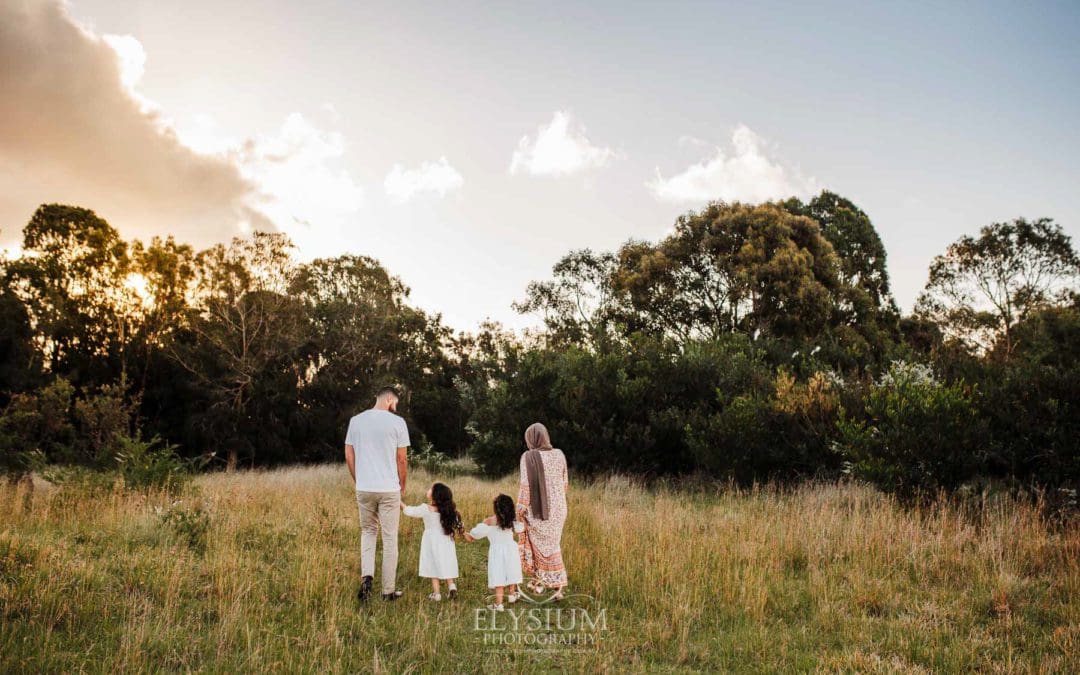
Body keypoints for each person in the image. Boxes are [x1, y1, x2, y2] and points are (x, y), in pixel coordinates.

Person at [344, 386, 410, 601]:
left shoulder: (356, 420)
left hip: (364, 487)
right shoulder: (398, 422)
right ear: (390, 399)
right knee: (390, 538)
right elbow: (402, 459)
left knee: (368, 532)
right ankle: (388, 591)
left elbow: (349, 456)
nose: (395, 407)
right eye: (395, 404)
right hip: (389, 489)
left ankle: (367, 579)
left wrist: (359, 479)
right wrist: (402, 486)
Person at [517, 422, 569, 598]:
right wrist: (557, 501)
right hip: (559, 509)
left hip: (538, 511)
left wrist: (521, 508)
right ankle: (555, 589)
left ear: (530, 439)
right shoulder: (560, 454)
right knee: (553, 547)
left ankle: (540, 581)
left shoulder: (528, 457)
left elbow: (526, 486)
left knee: (536, 545)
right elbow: (565, 483)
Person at [401, 482, 463, 601]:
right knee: (446, 562)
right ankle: (451, 586)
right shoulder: (448, 511)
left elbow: (409, 511)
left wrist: (398, 501)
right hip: (446, 540)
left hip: (431, 540)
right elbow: (459, 524)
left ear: (435, 495)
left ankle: (437, 594)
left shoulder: (426, 509)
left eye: (431, 489)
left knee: (433, 564)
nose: (428, 490)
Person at [465, 494, 524, 611]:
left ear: (496, 508)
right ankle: (512, 595)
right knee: (511, 571)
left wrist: (464, 532)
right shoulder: (511, 521)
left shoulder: (489, 521)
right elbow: (522, 528)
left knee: (499, 576)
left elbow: (473, 537)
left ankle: (499, 604)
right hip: (511, 550)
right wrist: (520, 517)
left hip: (497, 552)